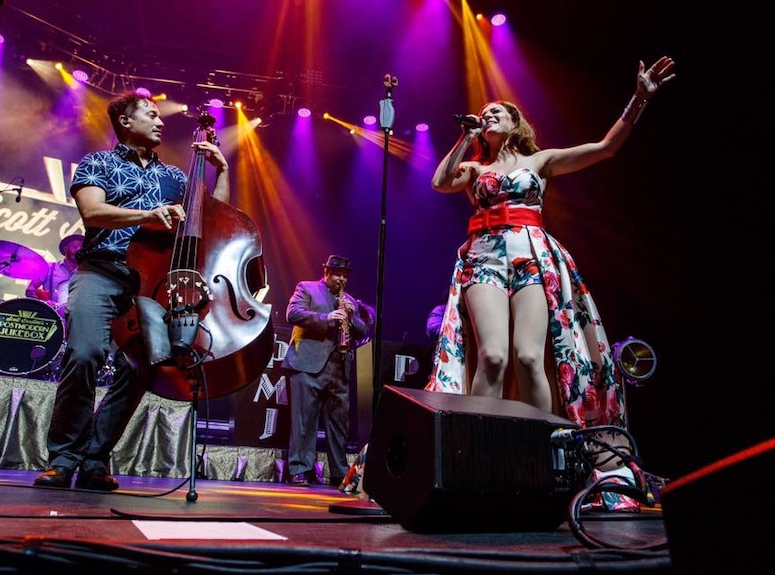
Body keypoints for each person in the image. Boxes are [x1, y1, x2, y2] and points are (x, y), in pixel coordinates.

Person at [426, 57, 676, 431]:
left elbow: (606, 148)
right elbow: (440, 183)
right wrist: (466, 136)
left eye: (498, 111)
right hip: (485, 257)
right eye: (484, 113)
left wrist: (638, 99)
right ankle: (475, 446)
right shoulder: (475, 168)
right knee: (493, 356)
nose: (489, 114)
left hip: (532, 257)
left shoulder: (541, 160)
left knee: (528, 357)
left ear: (515, 123)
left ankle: (542, 447)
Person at [32, 90, 230, 491]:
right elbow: (92, 211)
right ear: (125, 121)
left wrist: (221, 172)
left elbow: (211, 221)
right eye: (151, 115)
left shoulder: (175, 177)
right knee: (84, 353)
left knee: (139, 368)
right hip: (102, 272)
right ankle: (64, 457)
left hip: (149, 285)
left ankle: (94, 460)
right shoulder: (98, 163)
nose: (160, 122)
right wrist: (147, 214)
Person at [283, 255, 368, 487]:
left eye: (345, 276)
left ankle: (339, 473)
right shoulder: (307, 288)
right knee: (304, 422)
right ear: (326, 273)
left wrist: (350, 316)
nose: (341, 279)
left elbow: (362, 330)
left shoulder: (349, 300)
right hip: (308, 365)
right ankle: (300, 470)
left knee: (339, 425)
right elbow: (293, 314)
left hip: (339, 368)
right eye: (337, 274)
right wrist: (325, 317)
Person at [25, 234, 84, 312]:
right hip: (51, 314)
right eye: (75, 247)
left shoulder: (85, 272)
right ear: (66, 249)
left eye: (81, 248)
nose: (79, 249)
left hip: (75, 317)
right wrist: (44, 302)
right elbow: (30, 290)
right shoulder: (48, 268)